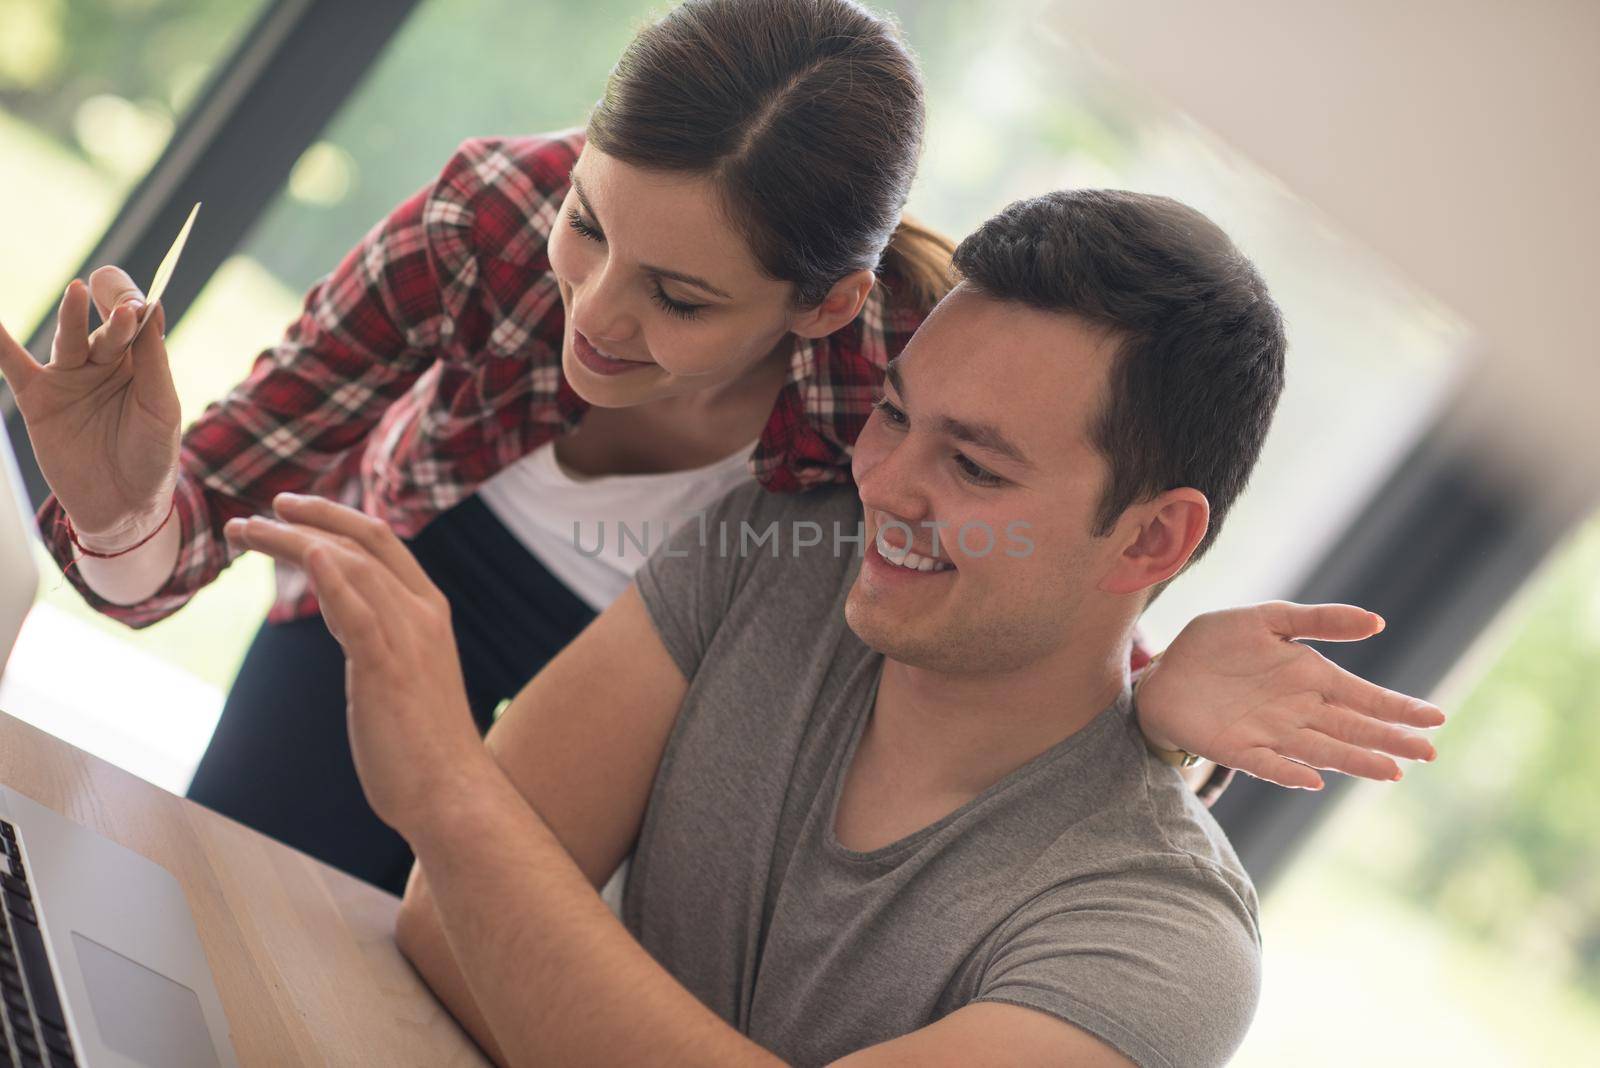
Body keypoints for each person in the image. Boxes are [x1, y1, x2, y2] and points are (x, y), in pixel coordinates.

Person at [0, 0, 1421, 896]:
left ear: (826, 304)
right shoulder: (488, 219)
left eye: (682, 298)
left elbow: (1028, 628)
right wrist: (124, 502)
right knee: (224, 901)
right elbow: (147, 576)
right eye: (594, 224)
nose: (598, 316)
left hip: (653, 696)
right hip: (391, 603)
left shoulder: (908, 381)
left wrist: (1161, 720)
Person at [219, 188, 1445, 1067]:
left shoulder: (1155, 948)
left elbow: (475, 882)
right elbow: (445, 923)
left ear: (1149, 542)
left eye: (971, 465)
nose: (885, 486)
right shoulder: (776, 552)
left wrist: (451, 792)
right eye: (897, 415)